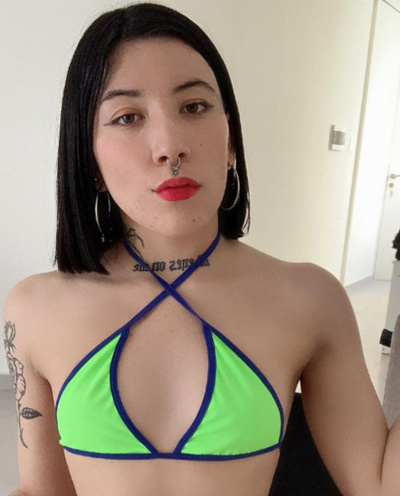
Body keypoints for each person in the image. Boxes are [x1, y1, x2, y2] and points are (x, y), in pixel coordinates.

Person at [2, 3, 400, 495]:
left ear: (230, 138)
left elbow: (378, 487)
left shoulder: (310, 300)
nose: (169, 146)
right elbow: (42, 492)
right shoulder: (35, 309)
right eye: (127, 117)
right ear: (90, 159)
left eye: (193, 107)